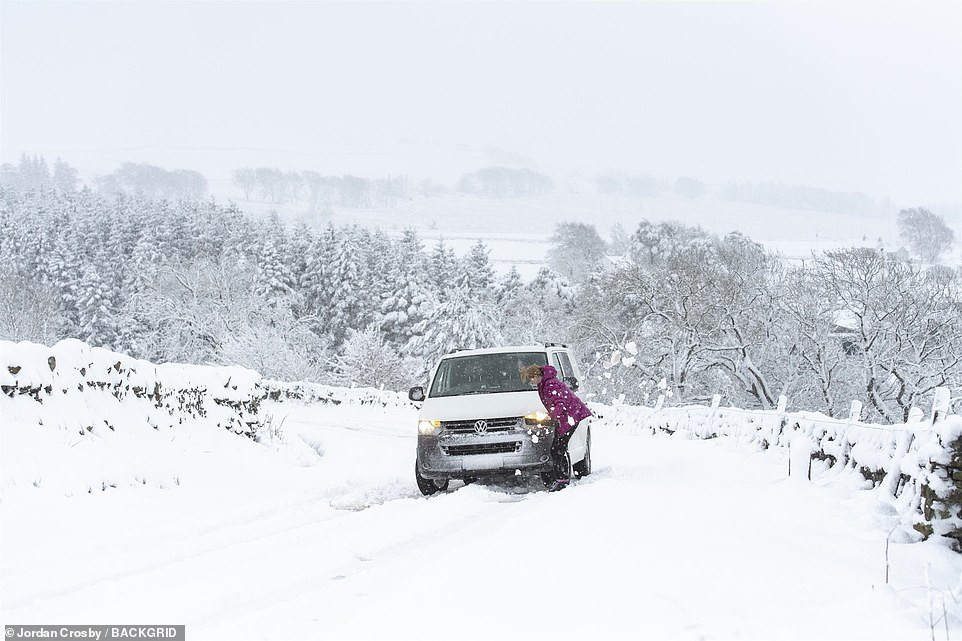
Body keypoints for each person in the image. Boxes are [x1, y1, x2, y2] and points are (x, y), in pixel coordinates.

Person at [520, 364, 592, 491]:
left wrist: (551, 415)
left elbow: (560, 403)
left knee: (558, 449)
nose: (532, 382)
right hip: (566, 417)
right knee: (557, 448)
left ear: (536, 376)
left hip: (571, 416)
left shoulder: (550, 384)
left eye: (531, 379)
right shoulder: (545, 383)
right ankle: (560, 478)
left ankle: (562, 479)